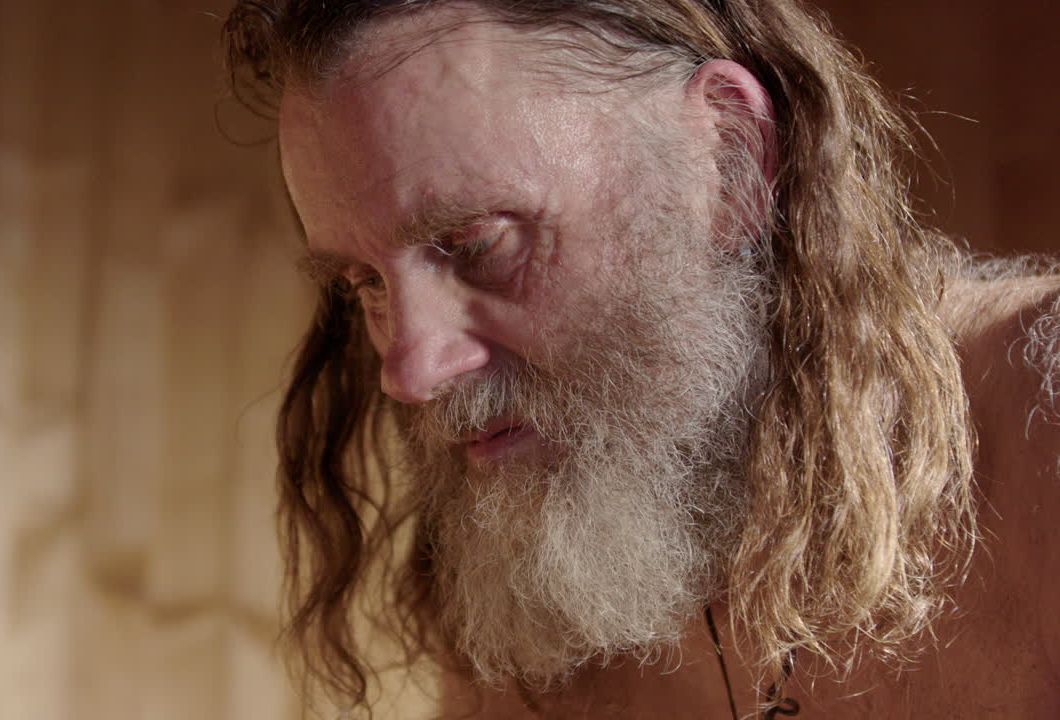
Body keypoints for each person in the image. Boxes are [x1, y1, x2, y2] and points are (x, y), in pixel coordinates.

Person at [224, 1, 1060, 717]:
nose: (410, 371)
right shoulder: (532, 585)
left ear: (728, 161)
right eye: (365, 283)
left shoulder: (1041, 421)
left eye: (476, 243)